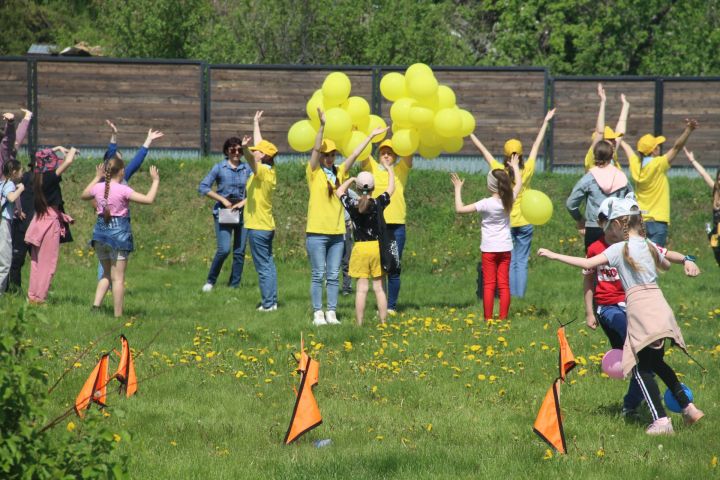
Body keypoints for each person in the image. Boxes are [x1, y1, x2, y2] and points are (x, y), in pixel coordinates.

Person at [538, 195, 705, 435]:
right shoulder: (648, 245)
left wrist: (554, 255)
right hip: (660, 308)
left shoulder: (618, 249)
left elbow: (588, 263)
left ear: (617, 225)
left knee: (640, 367)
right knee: (656, 362)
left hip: (639, 310)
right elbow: (667, 264)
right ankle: (689, 409)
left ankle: (661, 421)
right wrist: (687, 261)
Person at [584, 195, 700, 418]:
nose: (607, 232)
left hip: (635, 308)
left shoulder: (636, 245)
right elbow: (588, 278)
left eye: (609, 225)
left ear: (619, 224)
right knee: (641, 352)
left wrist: (686, 259)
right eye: (603, 227)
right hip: (609, 308)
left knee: (649, 359)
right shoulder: (597, 248)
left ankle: (644, 403)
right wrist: (590, 311)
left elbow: (664, 258)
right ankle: (649, 408)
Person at [306, 107, 387, 326]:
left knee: (333, 274)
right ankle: (317, 313)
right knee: (318, 274)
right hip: (316, 231)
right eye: (326, 155)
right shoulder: (313, 172)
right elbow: (314, 149)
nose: (329, 158)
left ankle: (331, 312)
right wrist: (322, 126)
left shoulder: (340, 172)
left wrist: (370, 136)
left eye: (332, 154)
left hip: (338, 232)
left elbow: (353, 155)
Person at [470, 108, 555, 298]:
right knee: (521, 261)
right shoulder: (527, 169)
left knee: (509, 261)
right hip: (526, 222)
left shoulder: (499, 171)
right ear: (520, 155)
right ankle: (519, 297)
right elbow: (536, 145)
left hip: (507, 222)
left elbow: (483, 151)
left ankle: (509, 295)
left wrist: (470, 134)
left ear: (506, 155)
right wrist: (546, 122)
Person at [81, 159, 160, 317]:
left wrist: (97, 177)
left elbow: (84, 195)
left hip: (100, 235)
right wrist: (156, 181)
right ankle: (118, 316)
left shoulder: (98, 187)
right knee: (118, 279)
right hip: (118, 237)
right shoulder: (124, 189)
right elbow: (148, 199)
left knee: (106, 273)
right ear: (122, 171)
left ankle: (96, 307)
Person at [450, 154, 522, 321]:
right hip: (505, 248)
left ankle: (488, 319)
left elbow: (459, 209)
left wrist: (458, 188)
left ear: (491, 186)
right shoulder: (509, 198)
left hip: (489, 249)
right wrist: (515, 167)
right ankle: (503, 319)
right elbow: (519, 183)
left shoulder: (485, 203)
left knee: (489, 285)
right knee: (504, 285)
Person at [96, 121, 164, 287]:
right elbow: (112, 156)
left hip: (120, 225)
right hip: (109, 226)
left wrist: (148, 141)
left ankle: (109, 288)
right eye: (119, 161)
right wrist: (114, 136)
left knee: (113, 263)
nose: (123, 164)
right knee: (106, 264)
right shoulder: (101, 181)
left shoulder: (123, 177)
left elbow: (137, 160)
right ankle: (107, 287)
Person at [618, 118, 698, 246]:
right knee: (655, 260)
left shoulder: (635, 165)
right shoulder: (659, 164)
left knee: (638, 260)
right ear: (654, 150)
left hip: (639, 219)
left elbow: (627, 149)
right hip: (658, 221)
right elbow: (677, 147)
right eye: (657, 146)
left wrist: (618, 137)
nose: (659, 147)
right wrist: (689, 130)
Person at [336, 155, 395, 325]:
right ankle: (384, 322)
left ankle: (359, 323)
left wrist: (351, 179)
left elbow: (339, 191)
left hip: (360, 249)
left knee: (361, 290)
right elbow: (391, 188)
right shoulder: (378, 203)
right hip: (376, 248)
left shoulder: (353, 204)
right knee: (379, 288)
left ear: (358, 187)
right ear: (373, 188)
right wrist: (390, 170)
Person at [359, 138, 412, 314]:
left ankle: (391, 306)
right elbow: (362, 153)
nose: (386, 156)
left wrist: (404, 132)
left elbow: (409, 151)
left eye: (390, 153)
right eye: (383, 153)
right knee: (380, 267)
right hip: (378, 225)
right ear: (379, 155)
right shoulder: (372, 167)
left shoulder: (400, 169)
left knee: (394, 267)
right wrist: (368, 134)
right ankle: (382, 304)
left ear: (395, 155)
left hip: (397, 226)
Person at [24, 146, 78, 304]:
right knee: (48, 264)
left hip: (38, 221)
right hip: (49, 224)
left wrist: (59, 148)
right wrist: (73, 149)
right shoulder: (50, 178)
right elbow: (68, 161)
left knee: (36, 262)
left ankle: (32, 296)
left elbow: (40, 156)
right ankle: (40, 299)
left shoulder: (35, 176)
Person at [198, 136, 250, 291]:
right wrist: (223, 200)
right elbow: (203, 187)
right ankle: (210, 281)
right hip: (224, 211)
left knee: (239, 252)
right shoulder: (219, 168)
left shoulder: (248, 168)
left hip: (243, 212)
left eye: (239, 150)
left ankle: (234, 285)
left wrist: (243, 202)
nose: (236, 153)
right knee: (224, 249)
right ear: (226, 151)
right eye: (232, 149)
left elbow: (256, 191)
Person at [241, 110, 279, 312]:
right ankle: (271, 301)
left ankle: (268, 304)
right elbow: (261, 145)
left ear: (263, 155)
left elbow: (251, 159)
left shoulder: (262, 171)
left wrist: (245, 148)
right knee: (269, 265)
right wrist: (255, 122)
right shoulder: (269, 169)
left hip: (257, 227)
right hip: (266, 226)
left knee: (263, 267)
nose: (255, 151)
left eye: (257, 151)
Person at [567, 140, 633, 250]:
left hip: (594, 227)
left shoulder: (589, 178)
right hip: (617, 228)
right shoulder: (621, 176)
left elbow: (570, 204)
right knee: (616, 265)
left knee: (593, 265)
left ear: (595, 155)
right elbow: (632, 201)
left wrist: (580, 219)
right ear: (612, 155)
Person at [684, 148, 720, 266]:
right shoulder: (715, 190)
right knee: (717, 257)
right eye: (719, 179)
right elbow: (704, 174)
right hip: (716, 233)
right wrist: (693, 160)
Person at [583, 84, 629, 171]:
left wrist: (625, 106)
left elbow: (621, 132)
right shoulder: (592, 156)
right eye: (611, 139)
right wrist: (603, 102)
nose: (614, 141)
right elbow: (600, 132)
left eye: (613, 139)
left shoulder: (611, 153)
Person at [1, 160, 24, 295]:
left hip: (3, 221)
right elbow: (10, 198)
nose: (22, 173)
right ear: (14, 172)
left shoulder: (2, 183)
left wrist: (18, 212)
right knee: (5, 262)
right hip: (3, 224)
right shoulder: (10, 184)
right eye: (20, 171)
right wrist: (20, 188)